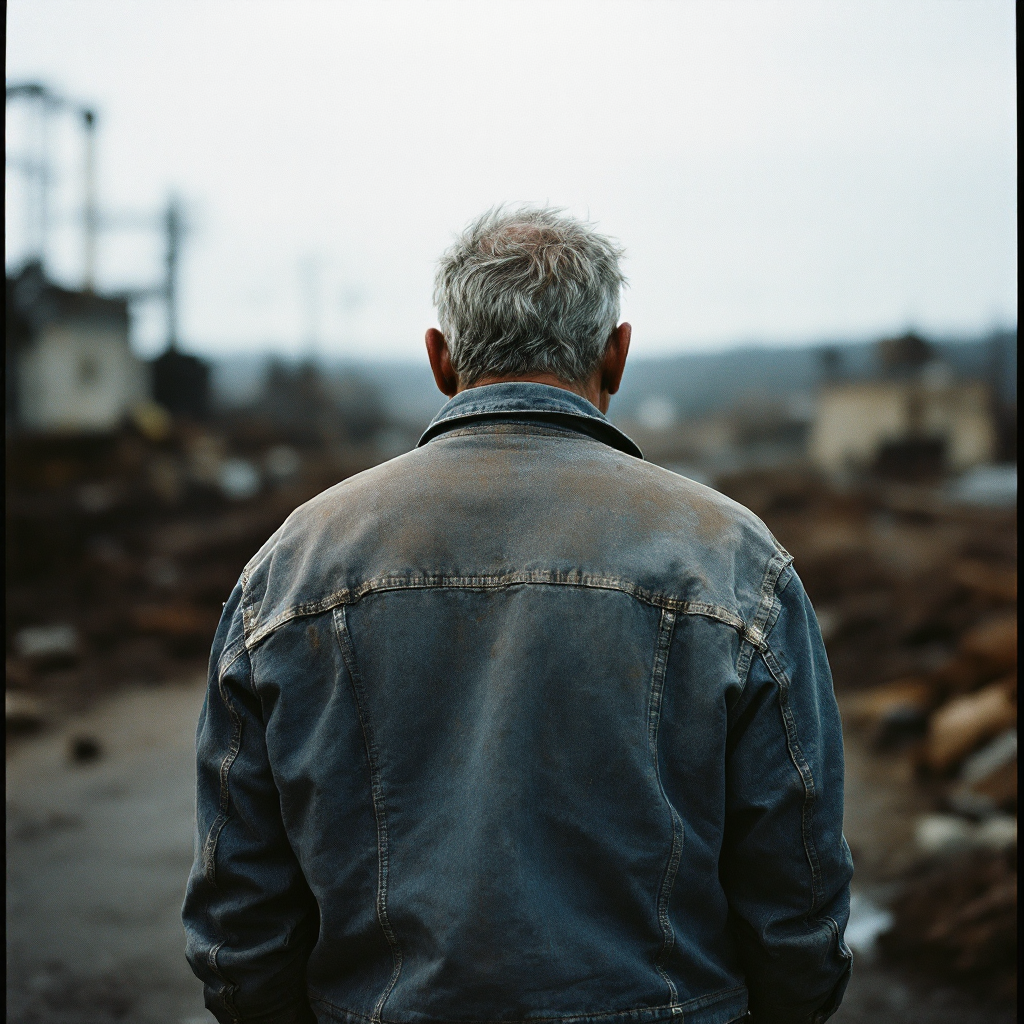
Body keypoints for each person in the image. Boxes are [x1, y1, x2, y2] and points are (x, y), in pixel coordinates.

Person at [183, 206, 854, 1024]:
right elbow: (798, 890)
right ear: (617, 353)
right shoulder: (733, 560)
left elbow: (239, 914)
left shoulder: (292, 567)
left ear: (440, 358)